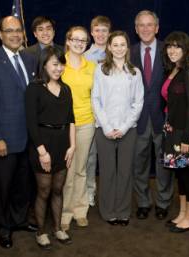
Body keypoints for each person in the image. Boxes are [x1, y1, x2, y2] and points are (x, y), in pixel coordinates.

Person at [0, 16, 37, 248]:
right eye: (9, 30)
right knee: (3, 186)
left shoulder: (29, 58)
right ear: (0, 34)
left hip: (28, 137)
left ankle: (19, 219)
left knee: (24, 184)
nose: (15, 34)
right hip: (4, 138)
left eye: (18, 30)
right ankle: (3, 227)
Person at [92, 30, 143, 226]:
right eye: (115, 45)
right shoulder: (101, 70)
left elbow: (138, 103)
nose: (119, 48)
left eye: (123, 45)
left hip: (127, 129)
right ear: (109, 48)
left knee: (124, 171)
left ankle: (122, 211)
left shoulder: (134, 72)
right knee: (107, 172)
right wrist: (106, 126)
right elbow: (96, 99)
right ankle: (108, 211)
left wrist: (123, 127)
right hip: (104, 128)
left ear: (127, 48)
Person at [25, 46, 75, 249]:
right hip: (42, 145)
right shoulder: (33, 89)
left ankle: (57, 229)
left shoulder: (66, 89)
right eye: (55, 64)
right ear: (44, 64)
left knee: (57, 189)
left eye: (61, 64)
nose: (59, 68)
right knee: (44, 191)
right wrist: (42, 152)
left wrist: (72, 146)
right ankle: (40, 232)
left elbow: (71, 118)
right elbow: (31, 123)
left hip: (63, 144)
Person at [131, 10, 174, 220]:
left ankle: (163, 202)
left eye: (150, 25)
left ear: (157, 28)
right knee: (139, 163)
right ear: (136, 29)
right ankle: (143, 202)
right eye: (141, 25)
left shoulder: (170, 50)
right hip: (137, 118)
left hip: (163, 116)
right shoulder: (128, 52)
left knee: (163, 162)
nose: (146, 29)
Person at [160, 31, 189, 233]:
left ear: (186, 49)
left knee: (188, 176)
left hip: (185, 131)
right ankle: (183, 213)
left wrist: (186, 137)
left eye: (177, 46)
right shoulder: (174, 70)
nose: (172, 50)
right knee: (180, 175)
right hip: (172, 128)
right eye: (169, 46)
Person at [61, 26, 96, 231]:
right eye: (75, 39)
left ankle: (80, 211)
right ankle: (65, 212)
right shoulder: (59, 63)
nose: (79, 43)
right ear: (68, 41)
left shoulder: (92, 67)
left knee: (81, 169)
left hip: (86, 123)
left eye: (83, 40)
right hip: (63, 125)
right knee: (67, 169)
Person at [84, 15, 112, 207]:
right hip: (91, 114)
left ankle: (110, 193)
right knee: (90, 156)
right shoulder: (84, 57)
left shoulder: (117, 53)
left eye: (104, 30)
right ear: (91, 32)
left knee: (111, 158)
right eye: (97, 30)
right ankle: (89, 191)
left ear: (109, 33)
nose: (101, 34)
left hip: (113, 115)